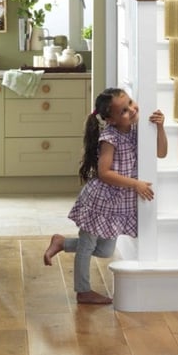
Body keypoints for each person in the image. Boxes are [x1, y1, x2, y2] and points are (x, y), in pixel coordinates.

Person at [43, 87, 168, 304]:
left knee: (105, 249)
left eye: (130, 103)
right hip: (100, 201)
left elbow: (161, 153)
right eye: (124, 111)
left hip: (117, 204)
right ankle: (83, 291)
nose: (132, 110)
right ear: (110, 120)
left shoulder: (137, 129)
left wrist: (160, 128)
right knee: (87, 246)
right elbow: (104, 173)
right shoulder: (110, 137)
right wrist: (135, 184)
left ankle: (62, 243)